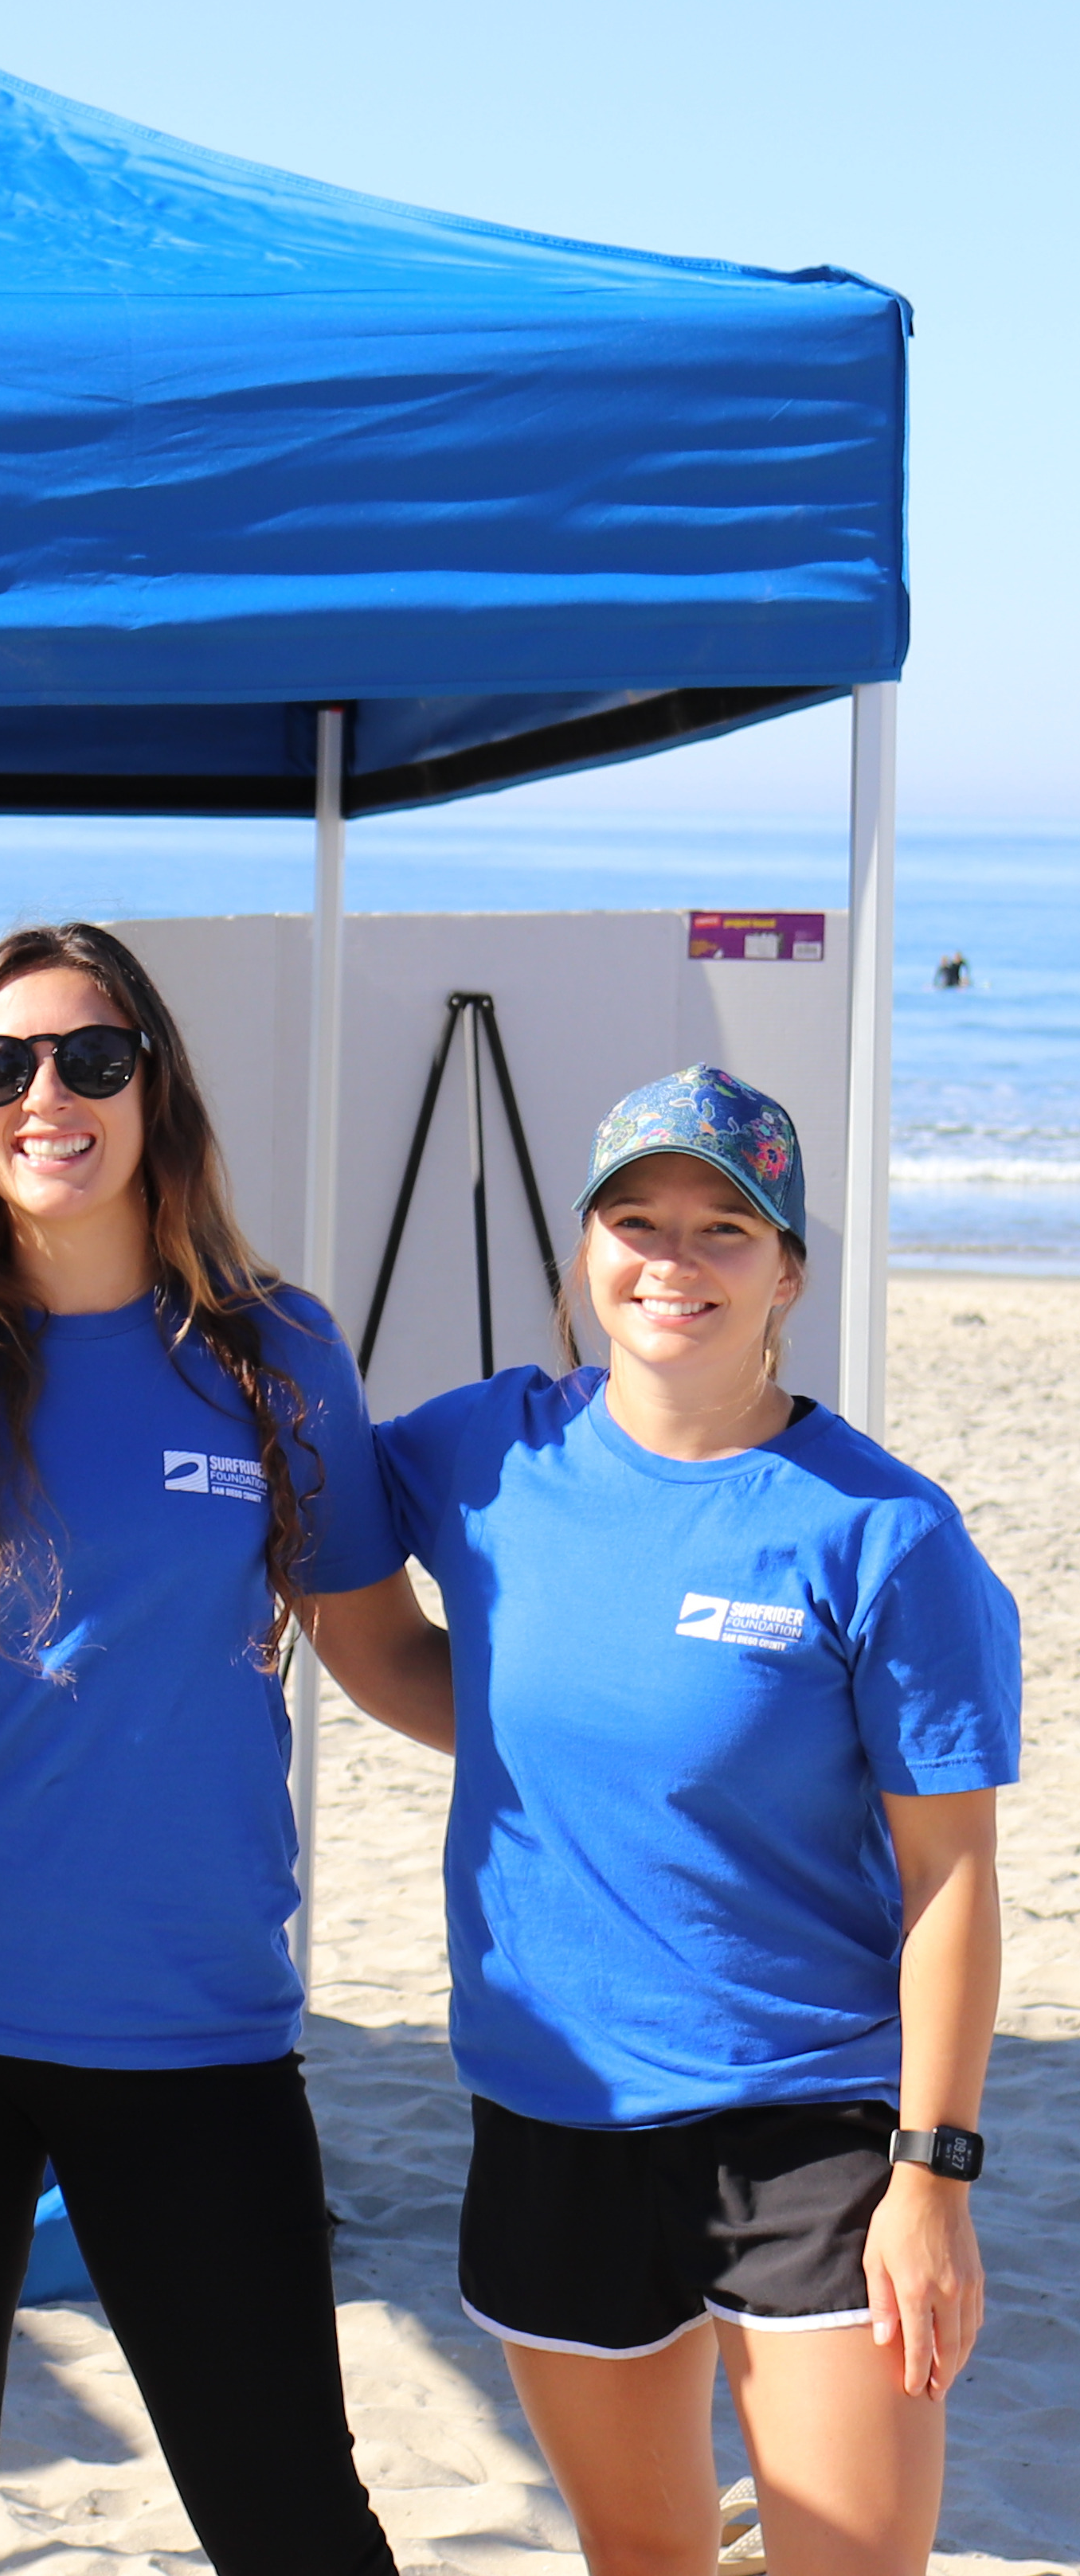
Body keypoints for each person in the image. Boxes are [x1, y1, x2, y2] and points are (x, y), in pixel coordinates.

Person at [332, 1067, 1020, 2576]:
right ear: (584, 1252)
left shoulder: (881, 1534)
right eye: (635, 1220)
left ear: (786, 1269)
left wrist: (932, 2175)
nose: (672, 1260)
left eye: (723, 1228)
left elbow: (951, 1881)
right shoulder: (481, 1453)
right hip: (550, 2107)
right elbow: (342, 1595)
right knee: (642, 2556)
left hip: (809, 2128)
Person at [0, 921, 403, 2576]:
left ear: (156, 1087)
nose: (44, 1093)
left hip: (190, 2016)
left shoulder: (273, 1350)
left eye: (90, 1057)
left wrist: (602, 1722)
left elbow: (382, 1644)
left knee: (287, 2505)